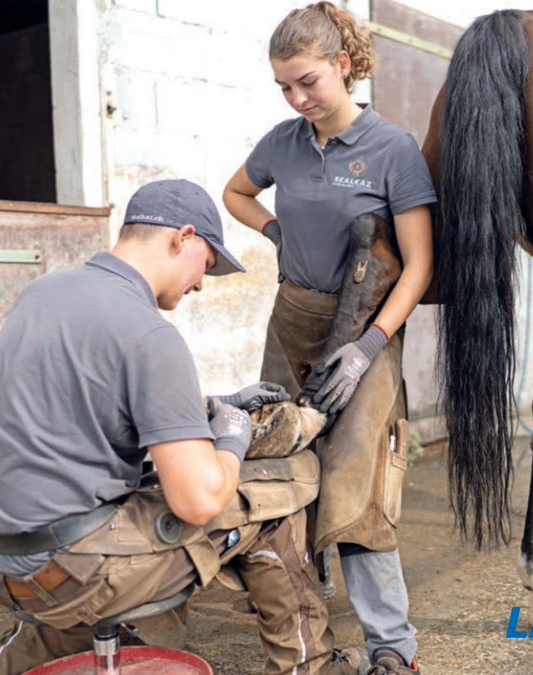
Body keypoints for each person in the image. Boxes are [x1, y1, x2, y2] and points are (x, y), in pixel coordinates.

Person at [0, 178, 363, 675]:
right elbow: (199, 501)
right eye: (206, 264)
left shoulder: (45, 292)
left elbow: (84, 398)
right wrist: (231, 434)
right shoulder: (149, 333)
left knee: (91, 525)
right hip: (71, 572)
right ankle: (311, 668)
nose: (201, 283)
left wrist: (204, 403)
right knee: (280, 489)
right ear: (181, 237)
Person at [223, 4, 435, 674]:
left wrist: (371, 345)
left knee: (356, 482)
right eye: (284, 86)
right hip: (291, 323)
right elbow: (235, 192)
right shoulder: (283, 141)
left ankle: (391, 645)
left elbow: (420, 263)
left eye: (308, 81)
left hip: (365, 326)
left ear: (343, 65)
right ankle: (304, 620)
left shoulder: (391, 149)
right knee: (278, 470)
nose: (297, 98)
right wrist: (274, 231)